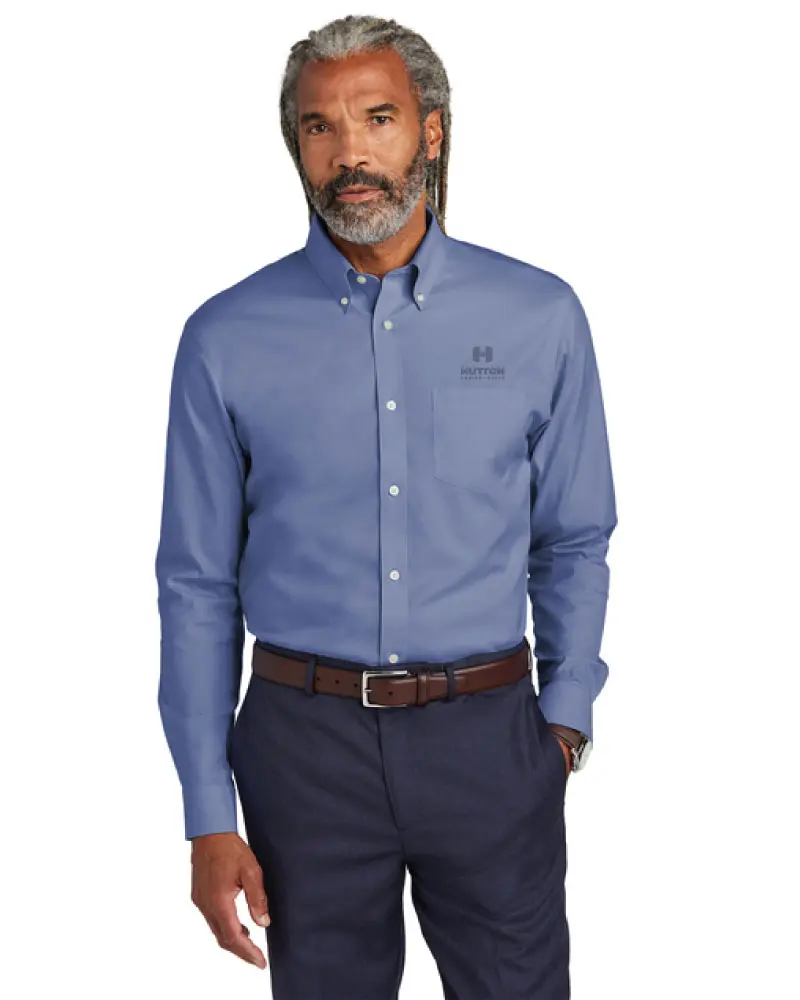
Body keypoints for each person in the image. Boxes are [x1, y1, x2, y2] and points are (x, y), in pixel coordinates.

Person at [155, 13, 617, 999]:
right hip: (302, 750)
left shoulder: (539, 316)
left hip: (490, 739)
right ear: (296, 145)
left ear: (430, 131)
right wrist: (207, 814)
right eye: (319, 126)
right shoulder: (224, 338)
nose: (349, 153)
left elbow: (574, 539)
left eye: (377, 117)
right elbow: (195, 584)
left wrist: (564, 722)